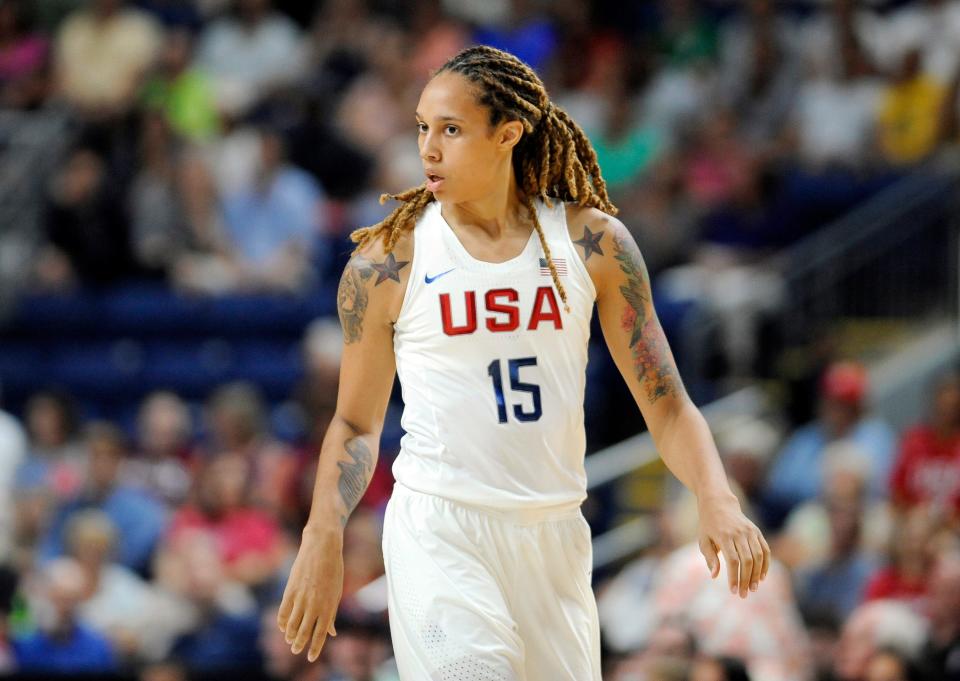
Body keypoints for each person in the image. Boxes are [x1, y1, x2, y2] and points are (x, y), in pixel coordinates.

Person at [277, 45, 770, 679]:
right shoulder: (386, 261)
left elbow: (667, 402)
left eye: (451, 130)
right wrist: (323, 534)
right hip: (440, 528)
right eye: (423, 127)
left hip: (555, 534)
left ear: (508, 133)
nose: (428, 148)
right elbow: (353, 425)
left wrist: (716, 497)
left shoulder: (593, 242)